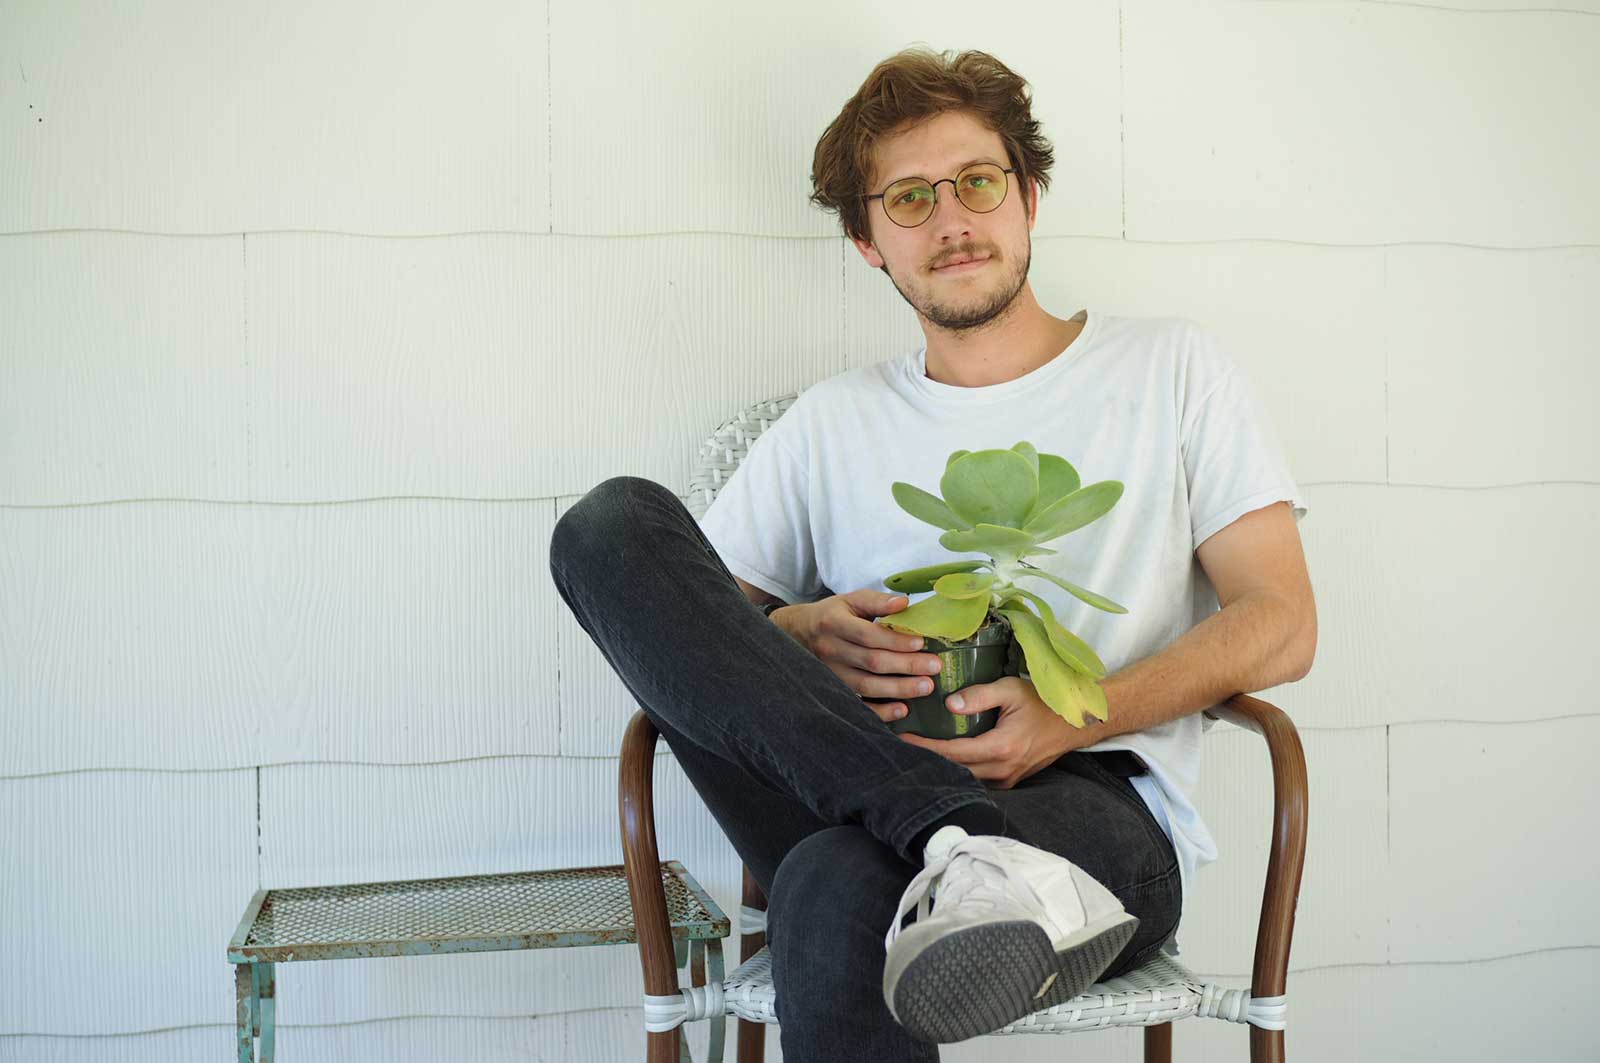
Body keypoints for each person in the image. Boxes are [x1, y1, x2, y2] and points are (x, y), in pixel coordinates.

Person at [548, 46, 1316, 1061]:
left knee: (834, 887)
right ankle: (946, 840)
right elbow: (692, 631)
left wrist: (1064, 717)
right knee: (608, 527)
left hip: (1088, 811)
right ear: (869, 242)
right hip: (842, 787)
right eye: (907, 199)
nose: (950, 220)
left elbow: (1281, 623)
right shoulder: (830, 422)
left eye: (976, 183)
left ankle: (946, 848)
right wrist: (794, 630)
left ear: (1028, 197)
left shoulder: (1172, 370)